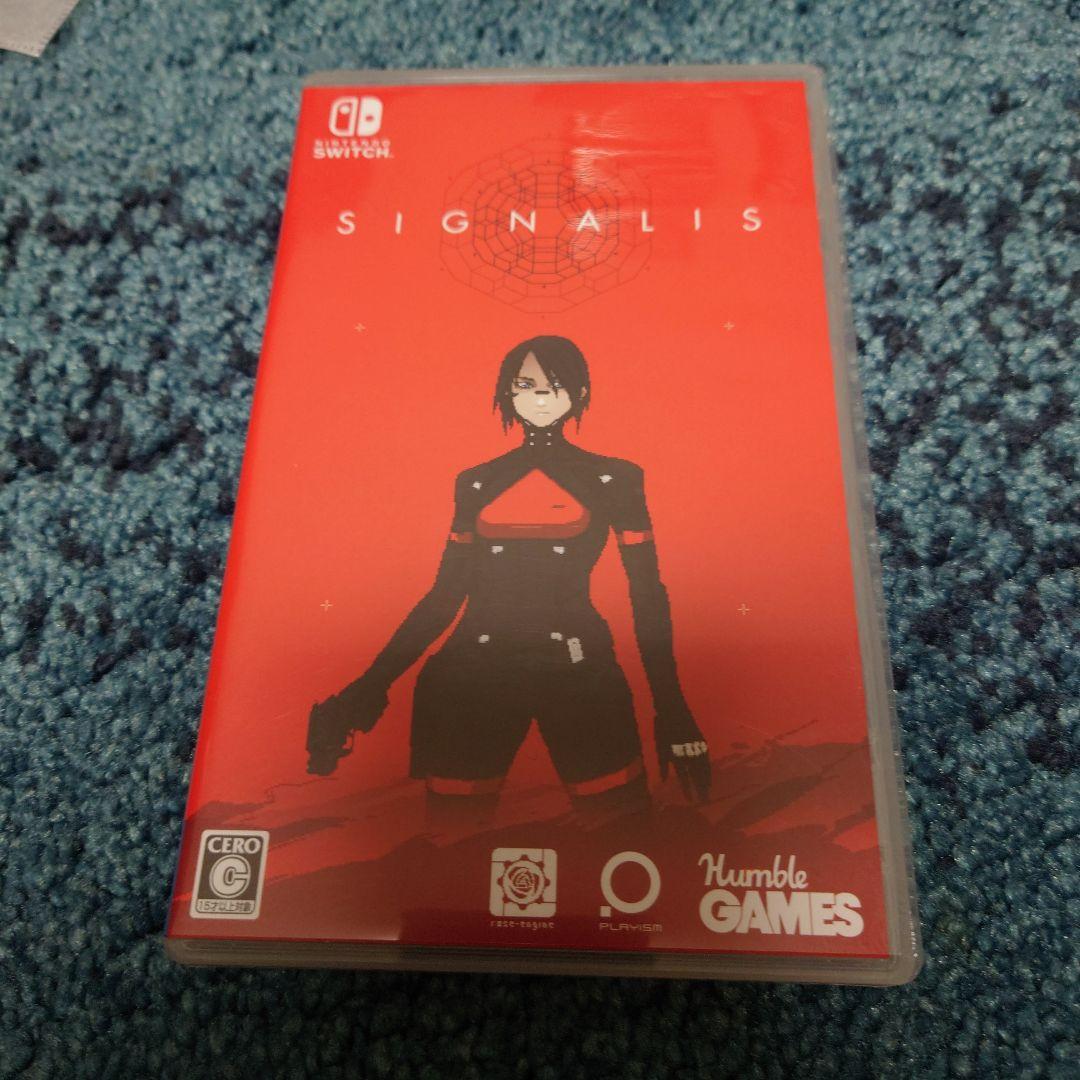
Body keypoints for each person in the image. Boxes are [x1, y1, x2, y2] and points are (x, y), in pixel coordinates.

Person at [307, 335, 710, 827]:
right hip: (472, 675)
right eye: (525, 385)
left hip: (580, 672)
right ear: (507, 393)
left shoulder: (615, 478)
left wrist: (672, 708)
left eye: (554, 385)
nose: (539, 397)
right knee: (453, 841)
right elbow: (445, 594)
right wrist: (369, 686)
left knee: (621, 828)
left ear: (580, 393)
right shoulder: (476, 482)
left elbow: (646, 594)